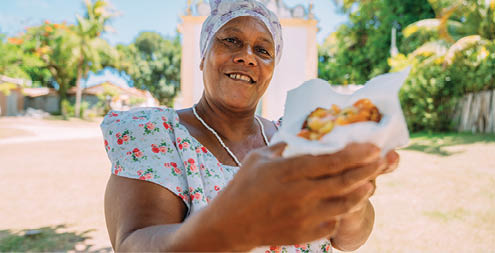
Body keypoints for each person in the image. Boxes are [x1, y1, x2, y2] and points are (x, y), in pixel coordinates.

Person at [101, 0, 399, 252]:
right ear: (203, 55)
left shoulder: (296, 137)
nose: (246, 55)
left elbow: (349, 240)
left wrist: (352, 193)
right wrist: (230, 227)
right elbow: (134, 243)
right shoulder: (159, 136)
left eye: (263, 50)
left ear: (271, 70)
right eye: (231, 40)